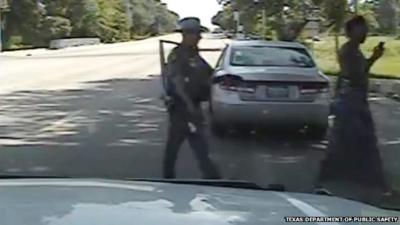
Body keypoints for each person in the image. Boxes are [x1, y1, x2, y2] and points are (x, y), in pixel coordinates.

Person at [316, 16, 392, 196]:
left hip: (354, 99)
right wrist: (372, 60)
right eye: (362, 29)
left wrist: (373, 57)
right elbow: (355, 75)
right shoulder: (348, 50)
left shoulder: (354, 50)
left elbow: (357, 72)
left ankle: (328, 178)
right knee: (363, 140)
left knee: (349, 140)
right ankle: (378, 185)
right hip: (351, 100)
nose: (365, 32)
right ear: (352, 31)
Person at [162, 17, 221, 179]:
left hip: (192, 106)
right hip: (182, 108)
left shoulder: (194, 54)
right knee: (176, 147)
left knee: (198, 145)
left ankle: (213, 179)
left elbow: (208, 74)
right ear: (186, 35)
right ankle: (168, 180)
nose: (200, 37)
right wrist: (190, 106)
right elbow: (177, 82)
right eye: (196, 34)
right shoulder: (178, 55)